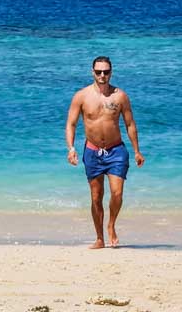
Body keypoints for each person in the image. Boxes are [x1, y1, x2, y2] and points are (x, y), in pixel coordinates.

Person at [65, 56, 145, 248]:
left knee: (117, 193)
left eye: (106, 72)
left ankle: (111, 225)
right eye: (99, 72)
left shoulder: (120, 96)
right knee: (95, 196)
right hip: (92, 151)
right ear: (92, 72)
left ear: (111, 72)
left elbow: (130, 124)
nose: (102, 75)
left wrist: (136, 151)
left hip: (116, 150)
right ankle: (100, 238)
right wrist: (71, 148)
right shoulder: (81, 96)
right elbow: (71, 124)